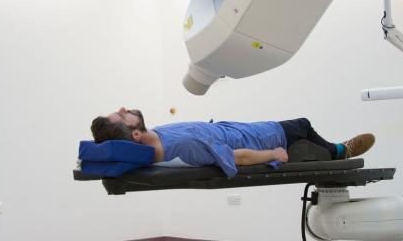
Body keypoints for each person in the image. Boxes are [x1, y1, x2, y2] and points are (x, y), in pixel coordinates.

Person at [90, 108, 375, 177]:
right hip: (263, 139)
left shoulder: (154, 135)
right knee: (302, 126)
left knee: (302, 128)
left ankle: (321, 150)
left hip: (243, 130)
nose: (125, 108)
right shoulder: (183, 145)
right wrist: (272, 154)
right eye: (121, 115)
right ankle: (339, 152)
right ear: (135, 135)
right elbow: (235, 159)